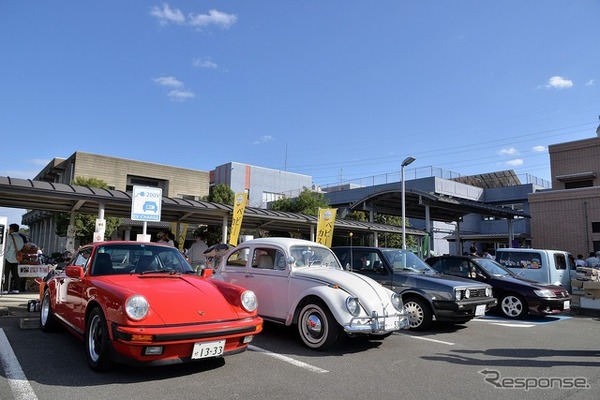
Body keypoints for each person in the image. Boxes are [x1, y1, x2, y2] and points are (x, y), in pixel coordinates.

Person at [2, 223, 25, 294]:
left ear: (12, 229)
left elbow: (6, 248)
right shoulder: (21, 238)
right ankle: (16, 289)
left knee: (6, 273)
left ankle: (5, 289)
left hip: (8, 257)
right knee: (15, 274)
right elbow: (21, 247)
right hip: (16, 258)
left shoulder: (9, 237)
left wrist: (3, 255)